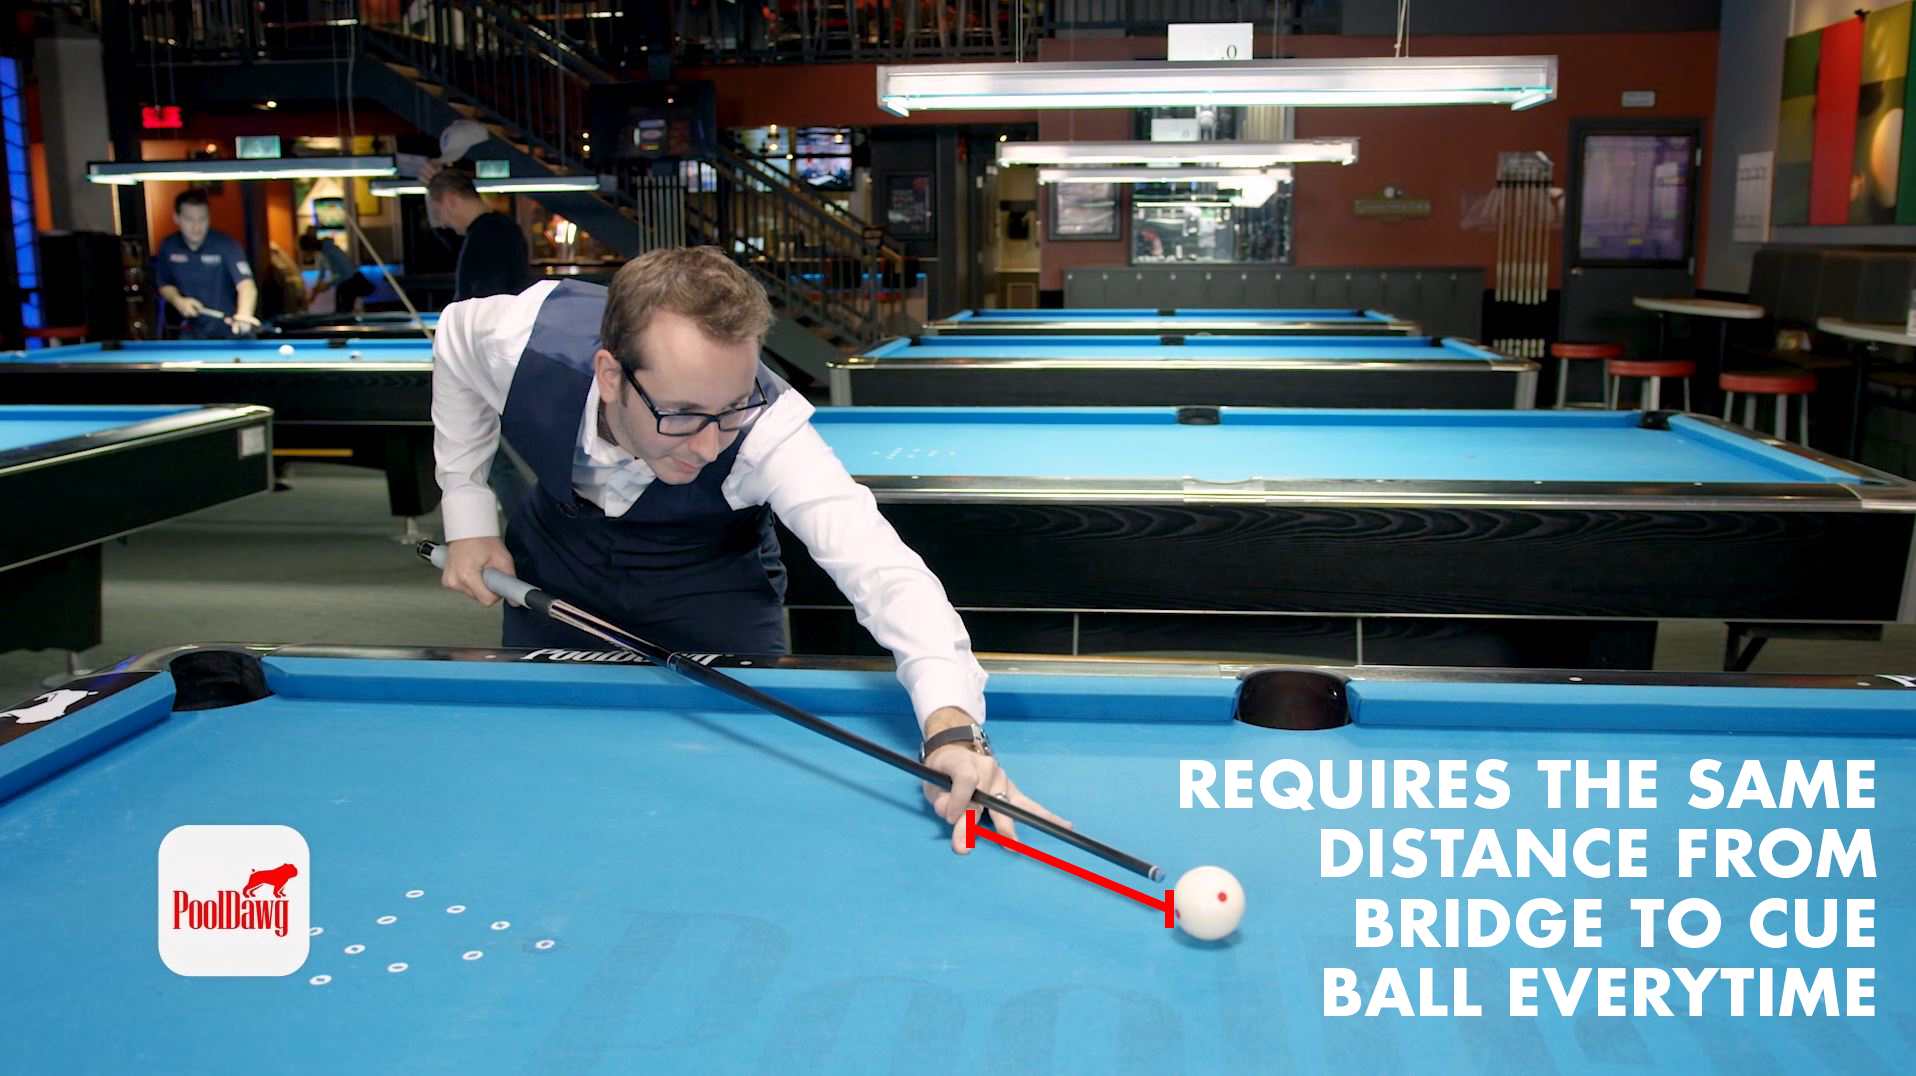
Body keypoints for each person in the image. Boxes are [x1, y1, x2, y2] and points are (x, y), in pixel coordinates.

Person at [432, 246, 1062, 852]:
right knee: (546, 779)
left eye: (731, 409)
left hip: (710, 583)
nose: (708, 446)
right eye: (680, 412)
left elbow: (883, 570)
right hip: (556, 562)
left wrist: (951, 726)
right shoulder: (521, 340)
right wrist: (466, 512)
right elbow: (454, 338)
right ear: (610, 373)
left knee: (741, 803)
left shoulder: (771, 432)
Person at [154, 189, 259, 337]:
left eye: (202, 219)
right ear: (176, 218)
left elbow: (247, 286)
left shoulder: (227, 246)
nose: (196, 227)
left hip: (232, 332)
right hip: (192, 334)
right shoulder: (169, 246)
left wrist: (243, 315)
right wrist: (178, 301)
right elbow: (164, 284)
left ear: (209, 218)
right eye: (189, 219)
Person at [419, 164, 533, 300]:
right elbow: (441, 231)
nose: (442, 223)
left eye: (438, 212)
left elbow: (486, 298)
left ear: (452, 200)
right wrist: (432, 187)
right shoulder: (489, 230)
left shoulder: (489, 235)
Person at [300, 232, 374, 314]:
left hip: (351, 283)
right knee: (342, 312)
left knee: (344, 314)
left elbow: (347, 273)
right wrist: (314, 293)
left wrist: (328, 284)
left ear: (309, 248)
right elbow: (321, 274)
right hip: (346, 285)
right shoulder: (323, 252)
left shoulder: (331, 251)